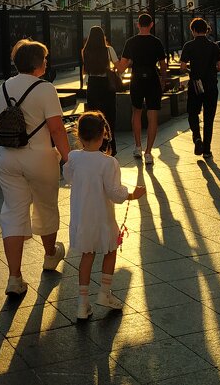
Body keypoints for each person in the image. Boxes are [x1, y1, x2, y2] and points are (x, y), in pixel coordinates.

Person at [0, 40, 72, 297]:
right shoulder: (45, 89)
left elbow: (0, 121)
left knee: (13, 213)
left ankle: (14, 277)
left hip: (7, 157)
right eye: (45, 59)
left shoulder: (4, 87)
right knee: (45, 206)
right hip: (39, 157)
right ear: (38, 63)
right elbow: (57, 128)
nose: (47, 63)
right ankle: (50, 256)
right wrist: (68, 159)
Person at [63, 111, 146, 320]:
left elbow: (68, 177)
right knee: (110, 250)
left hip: (82, 217)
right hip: (102, 218)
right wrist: (132, 194)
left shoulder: (73, 158)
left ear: (79, 136)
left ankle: (82, 304)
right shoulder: (108, 163)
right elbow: (115, 193)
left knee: (86, 256)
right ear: (103, 135)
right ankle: (104, 293)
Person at [116, 13, 167, 166]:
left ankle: (138, 147)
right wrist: (163, 80)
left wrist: (113, 63)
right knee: (153, 116)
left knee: (136, 112)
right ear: (151, 25)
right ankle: (149, 152)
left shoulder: (130, 42)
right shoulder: (156, 42)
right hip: (152, 79)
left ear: (137, 25)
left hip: (136, 79)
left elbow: (122, 66)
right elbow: (163, 65)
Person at [179, 18, 220, 159]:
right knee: (209, 117)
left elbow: (182, 66)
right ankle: (207, 150)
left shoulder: (189, 46)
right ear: (206, 30)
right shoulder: (214, 46)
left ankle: (197, 138)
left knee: (192, 113)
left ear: (192, 31)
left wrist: (192, 71)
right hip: (211, 84)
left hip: (195, 84)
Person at [82, 25, 119, 156]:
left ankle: (94, 146)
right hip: (106, 86)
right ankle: (110, 146)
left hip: (92, 85)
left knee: (93, 116)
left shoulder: (86, 51)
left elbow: (86, 69)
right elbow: (119, 66)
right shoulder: (109, 50)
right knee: (109, 116)